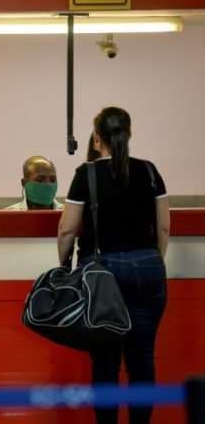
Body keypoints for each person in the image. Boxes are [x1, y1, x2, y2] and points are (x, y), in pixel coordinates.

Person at [57, 106, 170, 424]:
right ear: (129, 135)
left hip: (101, 275)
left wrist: (64, 266)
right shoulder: (149, 171)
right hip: (148, 269)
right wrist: (152, 261)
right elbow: (163, 227)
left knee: (105, 362)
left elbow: (67, 229)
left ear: (96, 138)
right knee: (142, 359)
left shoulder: (86, 174)